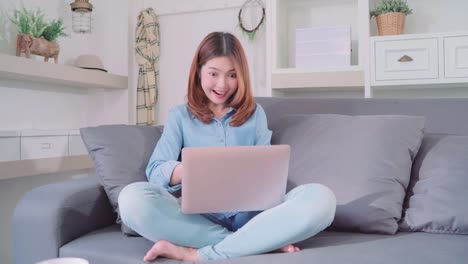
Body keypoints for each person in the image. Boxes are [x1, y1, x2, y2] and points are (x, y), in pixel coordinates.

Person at [118, 32, 336, 262]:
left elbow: (267, 170)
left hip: (253, 216)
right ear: (198, 71)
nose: (222, 84)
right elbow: (155, 170)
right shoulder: (179, 116)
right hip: (199, 220)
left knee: (322, 199)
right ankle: (259, 241)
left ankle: (201, 253)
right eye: (214, 73)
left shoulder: (255, 115)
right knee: (132, 199)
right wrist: (189, 170)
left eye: (232, 75)